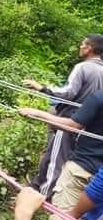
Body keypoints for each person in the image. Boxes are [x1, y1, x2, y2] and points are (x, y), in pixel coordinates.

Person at [22, 35, 103, 204]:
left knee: (55, 158)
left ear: (89, 48)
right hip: (89, 125)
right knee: (66, 158)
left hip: (69, 120)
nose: (80, 46)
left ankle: (43, 196)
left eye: (83, 43)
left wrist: (42, 88)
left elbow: (68, 93)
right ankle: (50, 191)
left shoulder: (83, 67)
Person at [20, 88, 103, 220]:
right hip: (99, 176)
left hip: (81, 168)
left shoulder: (99, 96)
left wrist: (39, 114)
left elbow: (72, 125)